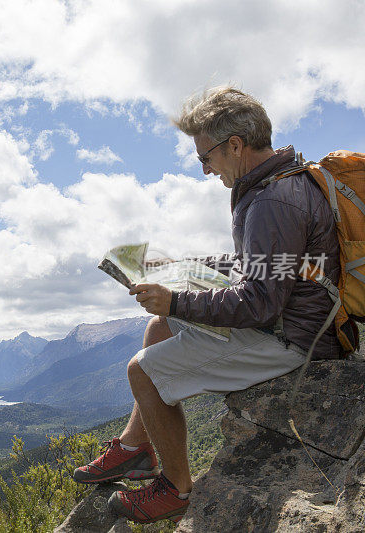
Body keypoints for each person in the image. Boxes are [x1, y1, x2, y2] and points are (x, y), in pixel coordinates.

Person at [73, 87, 345, 524]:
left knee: (142, 369)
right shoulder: (280, 184)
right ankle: (134, 449)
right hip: (300, 321)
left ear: (235, 145)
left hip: (294, 339)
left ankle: (176, 489)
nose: (204, 169)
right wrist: (182, 265)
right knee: (160, 326)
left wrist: (179, 298)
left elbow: (260, 304)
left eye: (206, 157)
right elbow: (256, 265)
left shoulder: (272, 201)